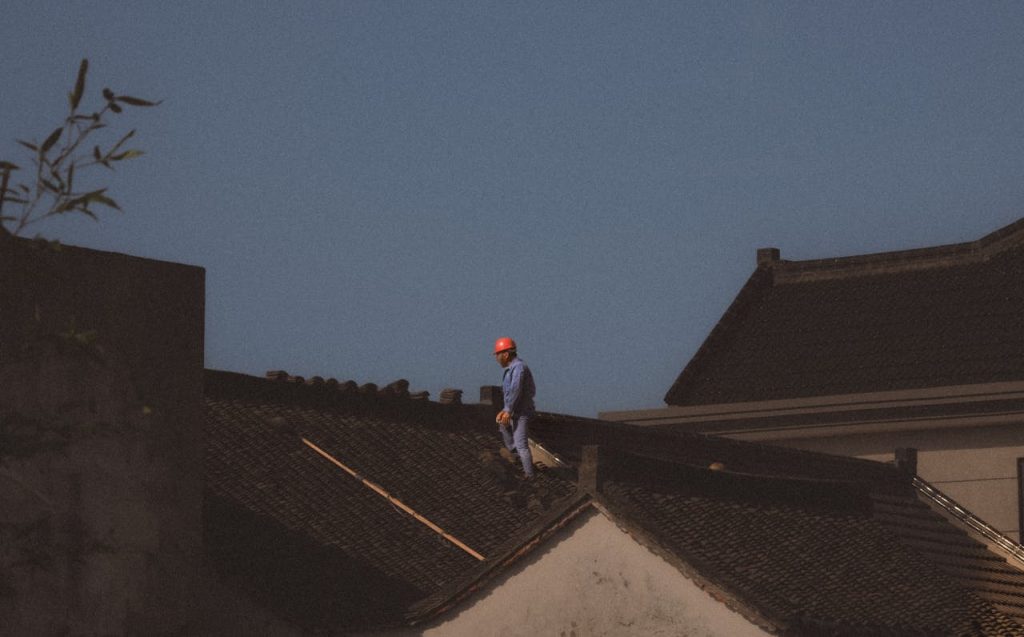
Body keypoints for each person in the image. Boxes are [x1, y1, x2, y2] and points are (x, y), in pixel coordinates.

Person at [493, 337, 536, 479]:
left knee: (521, 442)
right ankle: (516, 456)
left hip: (522, 412)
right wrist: (504, 410)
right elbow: (510, 393)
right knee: (503, 426)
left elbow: (515, 390)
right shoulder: (511, 369)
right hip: (514, 410)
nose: (497, 358)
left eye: (498, 355)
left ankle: (530, 476)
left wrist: (508, 410)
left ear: (505, 354)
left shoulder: (519, 368)